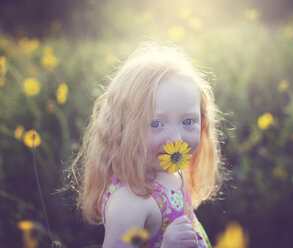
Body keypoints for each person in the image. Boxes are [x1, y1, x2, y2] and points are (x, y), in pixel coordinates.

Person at [69, 42, 223, 248]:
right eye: (156, 123)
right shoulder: (129, 202)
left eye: (188, 121)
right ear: (122, 129)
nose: (176, 139)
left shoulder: (169, 169)